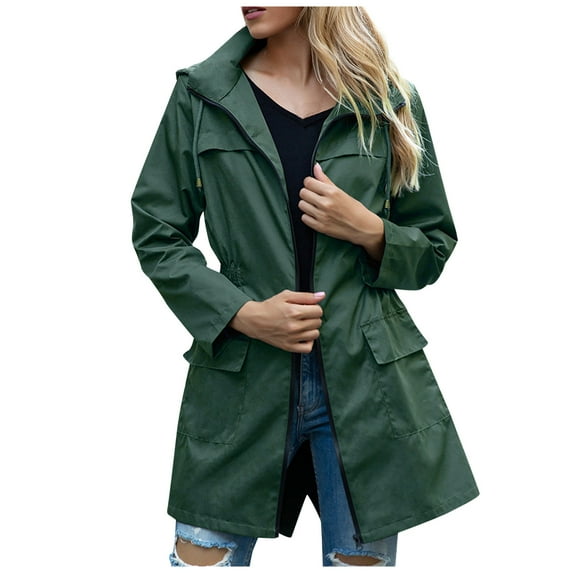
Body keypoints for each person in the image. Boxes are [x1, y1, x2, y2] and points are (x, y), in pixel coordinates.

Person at [131, 6, 479, 567]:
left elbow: (433, 247)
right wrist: (242, 313)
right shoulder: (202, 96)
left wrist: (369, 229)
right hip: (241, 382)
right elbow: (157, 233)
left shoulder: (388, 101)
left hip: (366, 386)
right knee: (202, 558)